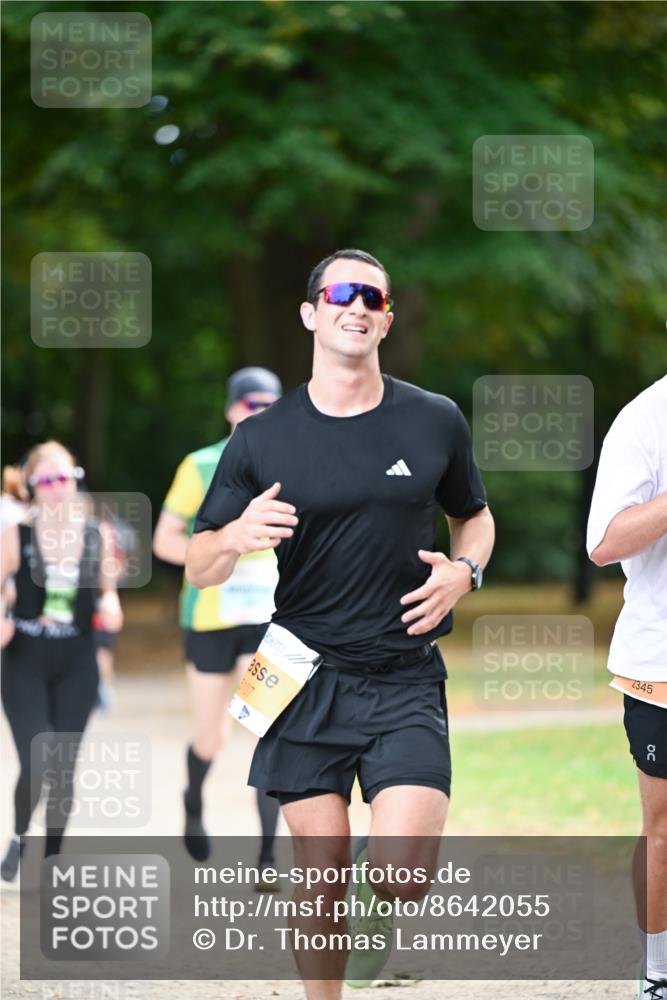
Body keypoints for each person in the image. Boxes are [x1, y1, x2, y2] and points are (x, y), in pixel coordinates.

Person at [186, 249, 495, 998]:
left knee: (402, 876)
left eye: (373, 297)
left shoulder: (433, 419)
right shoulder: (261, 438)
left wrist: (464, 572)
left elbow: (474, 517)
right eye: (341, 293)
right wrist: (234, 535)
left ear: (385, 317)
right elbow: (198, 562)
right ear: (310, 312)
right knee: (317, 874)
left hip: (404, 674)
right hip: (301, 675)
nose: (356, 306)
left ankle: (376, 887)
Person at [153, 367, 283, 881]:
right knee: (213, 737)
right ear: (232, 409)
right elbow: (164, 540)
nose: (260, 414)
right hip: (209, 615)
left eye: (271, 405)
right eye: (251, 404)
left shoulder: (293, 463)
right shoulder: (201, 465)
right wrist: (220, 546)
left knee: (266, 731)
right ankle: (192, 799)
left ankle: (268, 858)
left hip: (269, 618)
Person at [0, 441, 123, 881]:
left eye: (63, 478)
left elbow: (107, 590)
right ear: (32, 487)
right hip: (25, 658)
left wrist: (111, 606)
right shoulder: (17, 534)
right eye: (46, 480)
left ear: (75, 481)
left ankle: (52, 861)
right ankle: (17, 835)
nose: (56, 488)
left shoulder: (96, 533)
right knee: (37, 760)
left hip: (76, 658)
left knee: (64, 767)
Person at [587, 374, 667, 1000]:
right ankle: (658, 972)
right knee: (663, 824)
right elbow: (606, 542)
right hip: (661, 658)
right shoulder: (645, 418)